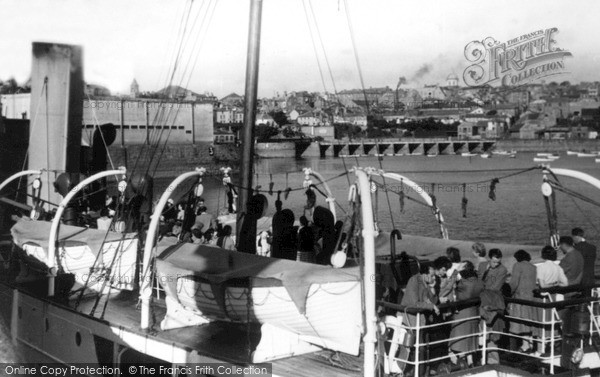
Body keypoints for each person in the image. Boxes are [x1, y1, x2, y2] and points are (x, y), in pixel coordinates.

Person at [391, 263, 440, 374]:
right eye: (432, 276)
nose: (434, 278)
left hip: (418, 322)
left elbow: (433, 301)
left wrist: (432, 289)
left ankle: (418, 373)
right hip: (408, 320)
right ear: (424, 274)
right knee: (408, 348)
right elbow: (414, 303)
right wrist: (430, 306)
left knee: (420, 349)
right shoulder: (414, 281)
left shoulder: (425, 283)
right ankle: (405, 371)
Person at [449, 261, 484, 367]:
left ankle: (462, 363)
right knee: (469, 339)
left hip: (462, 313)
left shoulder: (463, 283)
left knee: (460, 340)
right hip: (474, 313)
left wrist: (455, 272)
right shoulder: (480, 282)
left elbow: (449, 284)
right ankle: (470, 361)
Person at [508, 250, 539, 353]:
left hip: (520, 297)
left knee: (521, 323)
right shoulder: (533, 267)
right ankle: (529, 344)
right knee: (528, 322)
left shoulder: (518, 265)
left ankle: (524, 345)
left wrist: (508, 292)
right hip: (531, 297)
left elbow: (514, 283)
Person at [572, 227, 597, 295]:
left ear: (576, 237)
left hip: (579, 281)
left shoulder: (575, 249)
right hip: (590, 278)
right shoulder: (592, 247)